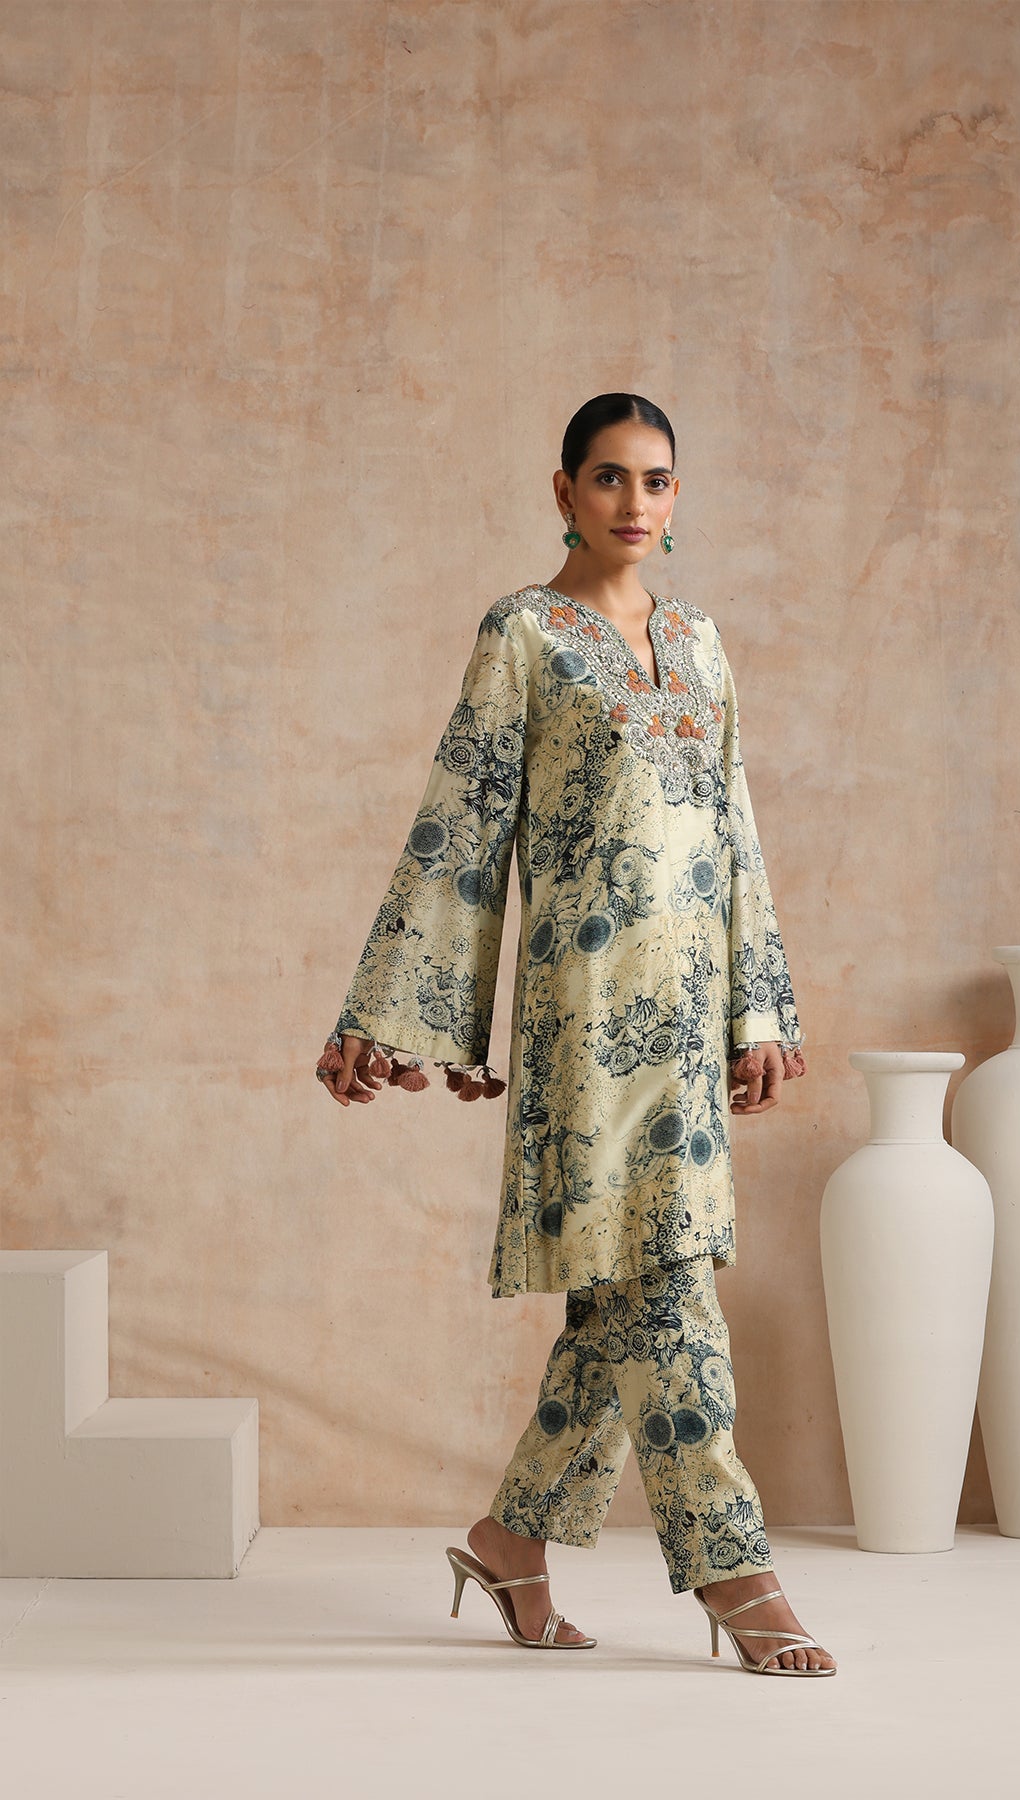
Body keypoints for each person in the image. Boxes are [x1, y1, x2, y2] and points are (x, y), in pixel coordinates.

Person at [317, 393, 837, 1677]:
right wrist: (397, 1013)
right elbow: (462, 821)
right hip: (588, 1031)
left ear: (677, 496)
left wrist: (760, 1009)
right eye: (609, 478)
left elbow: (736, 830)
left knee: (628, 1298)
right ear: (564, 492)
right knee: (668, 1289)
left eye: (656, 481)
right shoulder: (525, 636)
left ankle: (509, 1543)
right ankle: (736, 1568)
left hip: (689, 1029)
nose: (634, 504)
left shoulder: (700, 644)